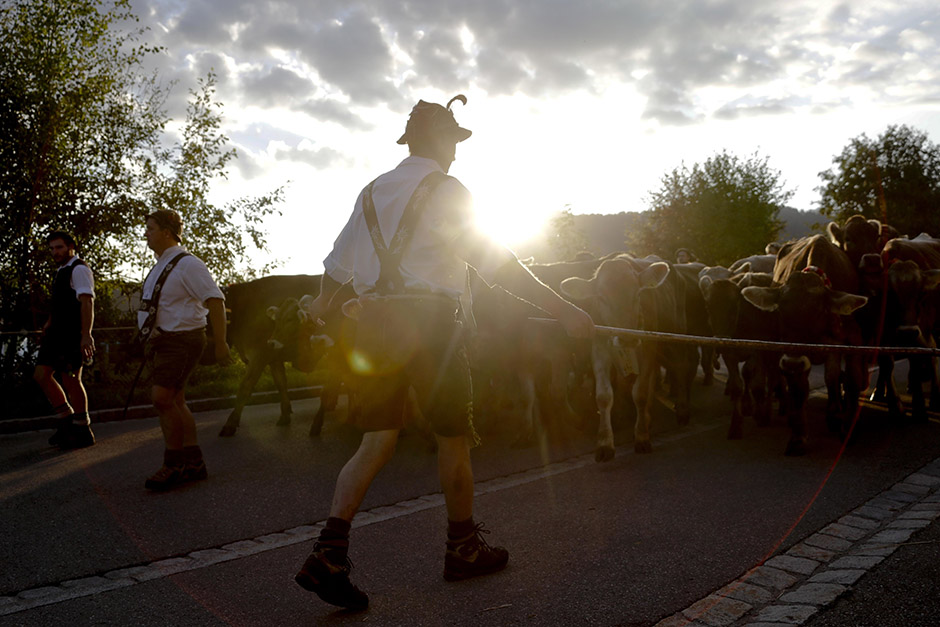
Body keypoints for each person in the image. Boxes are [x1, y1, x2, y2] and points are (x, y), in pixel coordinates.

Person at [294, 95, 595, 611]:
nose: (457, 153)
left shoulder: (370, 192)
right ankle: (462, 548)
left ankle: (329, 553)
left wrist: (320, 306)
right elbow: (498, 263)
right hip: (432, 325)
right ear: (440, 141)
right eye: (455, 142)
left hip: (374, 328)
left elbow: (336, 269)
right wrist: (566, 309)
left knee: (375, 443)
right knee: (453, 440)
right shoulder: (449, 189)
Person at [139, 210, 231, 491]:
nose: (146, 234)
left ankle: (174, 465)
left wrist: (221, 342)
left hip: (182, 340)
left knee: (162, 398)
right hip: (166, 341)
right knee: (176, 400)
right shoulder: (163, 264)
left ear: (167, 232)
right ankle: (194, 462)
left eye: (151, 229)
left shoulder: (188, 264)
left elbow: (215, 300)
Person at [34, 231, 97, 449]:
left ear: (70, 246)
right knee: (41, 374)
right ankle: (66, 422)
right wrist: (49, 323)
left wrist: (86, 335)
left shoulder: (79, 268)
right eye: (52, 248)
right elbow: (61, 302)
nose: (55, 252)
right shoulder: (61, 270)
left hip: (71, 335)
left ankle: (82, 428)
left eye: (59, 247)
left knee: (71, 379)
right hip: (56, 334)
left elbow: (86, 302)